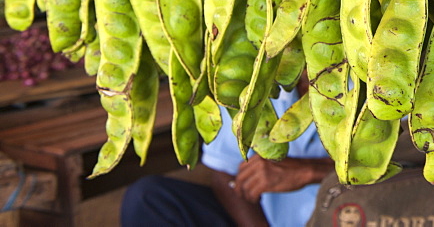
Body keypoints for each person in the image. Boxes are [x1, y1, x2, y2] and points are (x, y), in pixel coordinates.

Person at [121, 77, 333, 227]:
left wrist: (311, 171)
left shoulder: (360, 81)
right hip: (267, 220)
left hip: (355, 216)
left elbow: (368, 172)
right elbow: (225, 174)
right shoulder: (251, 79)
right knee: (149, 198)